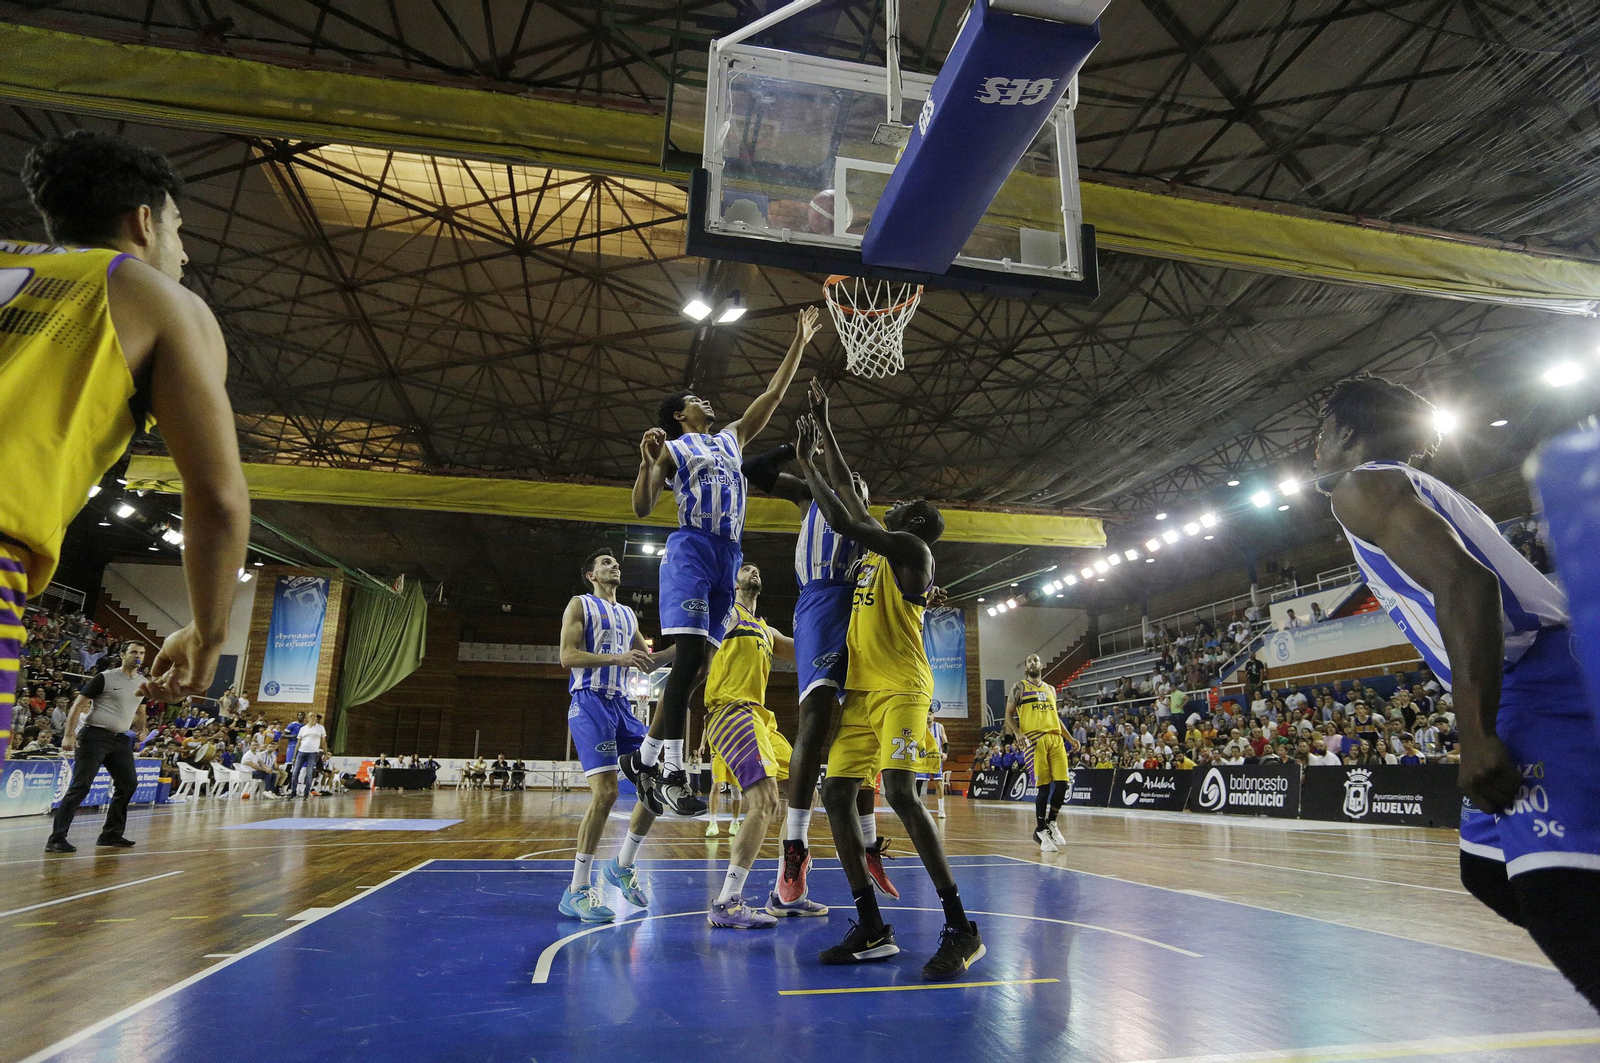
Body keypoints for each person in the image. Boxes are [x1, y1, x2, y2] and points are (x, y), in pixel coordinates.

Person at [1315, 373, 1599, 1010]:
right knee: (1487, 871)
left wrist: (1476, 734)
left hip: (1542, 678)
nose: (1313, 446)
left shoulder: (1360, 486)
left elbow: (1468, 586)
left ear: (1345, 433)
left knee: (1561, 904)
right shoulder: (1410, 486)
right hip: (1541, 673)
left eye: (1320, 430)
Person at [1, 131, 253, 762]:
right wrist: (208, 632)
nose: (185, 252)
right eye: (178, 227)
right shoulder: (154, 295)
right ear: (144, 221)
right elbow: (219, 498)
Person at [796, 411, 983, 980]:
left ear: (913, 521)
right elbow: (851, 498)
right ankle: (872, 928)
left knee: (899, 792)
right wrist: (827, 426)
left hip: (902, 687)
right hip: (861, 694)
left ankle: (961, 928)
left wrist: (806, 463)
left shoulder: (909, 549)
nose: (888, 506)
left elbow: (841, 514)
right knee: (836, 796)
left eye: (899, 505)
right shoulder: (881, 553)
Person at [623, 307, 820, 817]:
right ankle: (668, 766)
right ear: (679, 415)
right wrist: (647, 465)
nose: (703, 400)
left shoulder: (731, 437)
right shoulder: (674, 448)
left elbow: (772, 396)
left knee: (697, 668)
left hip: (728, 554)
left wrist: (797, 342)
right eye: (693, 399)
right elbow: (643, 506)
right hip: (691, 547)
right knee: (687, 659)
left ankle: (644, 758)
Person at [739, 378, 897, 905]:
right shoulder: (811, 496)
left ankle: (870, 842)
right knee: (815, 719)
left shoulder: (862, 518)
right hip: (822, 606)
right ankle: (795, 845)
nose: (848, 474)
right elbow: (753, 470)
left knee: (862, 724)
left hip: (861, 616)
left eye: (855, 476)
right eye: (840, 470)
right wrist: (796, 450)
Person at [699, 562, 820, 926]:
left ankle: (786, 892)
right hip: (731, 710)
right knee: (764, 800)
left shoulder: (766, 630)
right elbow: (693, 649)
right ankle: (727, 900)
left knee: (804, 792)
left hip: (761, 718)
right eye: (745, 568)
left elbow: (808, 652)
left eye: (756, 569)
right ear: (733, 581)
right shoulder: (726, 615)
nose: (752, 571)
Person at [557, 548, 674, 923]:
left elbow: (648, 662)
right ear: (590, 574)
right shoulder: (579, 605)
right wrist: (616, 659)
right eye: (606, 563)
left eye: (616, 563)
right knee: (606, 792)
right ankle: (577, 890)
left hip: (622, 705)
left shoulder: (626, 615)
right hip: (590, 702)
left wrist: (689, 647)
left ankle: (622, 864)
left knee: (655, 783)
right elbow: (567, 656)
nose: (614, 566)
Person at [46, 642, 150, 852]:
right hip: (94, 736)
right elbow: (77, 705)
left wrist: (142, 729)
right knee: (81, 786)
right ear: (122, 655)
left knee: (128, 784)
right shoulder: (106, 677)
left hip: (120, 739)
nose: (137, 656)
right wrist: (68, 734)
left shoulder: (143, 683)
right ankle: (56, 839)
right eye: (133, 652)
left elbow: (140, 711)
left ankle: (111, 834)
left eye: (141, 653)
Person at [1005, 654, 1075, 854]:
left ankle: (1051, 823)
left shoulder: (1051, 689)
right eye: (1029, 661)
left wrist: (1070, 738)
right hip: (1033, 739)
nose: (1033, 663)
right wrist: (1018, 733)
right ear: (1026, 667)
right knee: (1043, 787)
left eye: (1036, 660)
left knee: (1062, 783)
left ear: (1041, 665)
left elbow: (1056, 717)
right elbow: (1008, 714)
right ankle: (1040, 831)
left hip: (1055, 738)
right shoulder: (1019, 688)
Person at [916, 708, 950, 820]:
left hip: (936, 758)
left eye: (930, 714)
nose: (928, 716)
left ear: (933, 716)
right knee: (918, 783)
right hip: (923, 758)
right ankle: (916, 810)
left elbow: (945, 742)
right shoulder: (920, 727)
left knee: (938, 783)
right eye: (926, 713)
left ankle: (941, 809)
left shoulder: (939, 727)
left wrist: (945, 753)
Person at [291, 713, 326, 798]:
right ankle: (293, 792)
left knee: (309, 773)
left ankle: (306, 793)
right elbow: (298, 743)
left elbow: (323, 741)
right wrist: (294, 756)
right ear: (308, 718)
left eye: (314, 716)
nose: (313, 718)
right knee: (295, 773)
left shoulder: (320, 728)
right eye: (311, 716)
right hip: (301, 752)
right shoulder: (303, 729)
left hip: (313, 753)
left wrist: (325, 753)